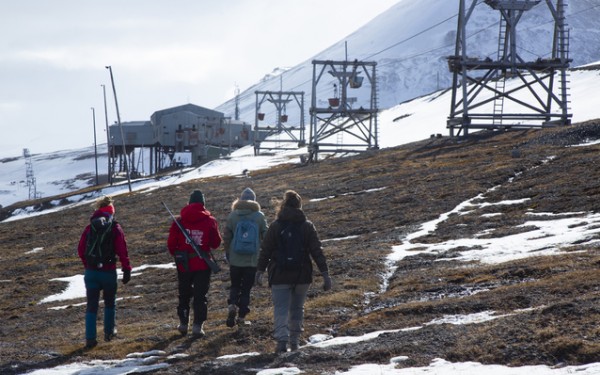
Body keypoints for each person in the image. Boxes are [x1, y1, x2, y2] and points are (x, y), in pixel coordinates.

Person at [255, 190, 332, 353]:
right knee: (297, 308)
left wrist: (260, 271)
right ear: (299, 206)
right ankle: (295, 341)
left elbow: (265, 251)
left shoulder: (275, 226)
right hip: (302, 275)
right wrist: (325, 274)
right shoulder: (307, 226)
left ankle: (282, 342)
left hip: (279, 275)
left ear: (283, 205)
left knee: (281, 308)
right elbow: (317, 251)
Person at [77, 195, 132, 349]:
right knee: (110, 303)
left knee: (91, 305)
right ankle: (109, 332)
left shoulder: (89, 228)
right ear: (111, 212)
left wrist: (88, 265)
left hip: (91, 273)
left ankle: (90, 339)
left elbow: (81, 250)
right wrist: (126, 268)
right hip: (108, 271)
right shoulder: (115, 227)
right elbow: (122, 250)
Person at [167, 189, 222, 337]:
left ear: (189, 202)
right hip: (203, 264)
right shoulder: (210, 221)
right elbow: (216, 243)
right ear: (203, 203)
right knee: (200, 295)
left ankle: (184, 323)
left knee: (184, 294)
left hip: (183, 263)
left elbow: (171, 244)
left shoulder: (179, 221)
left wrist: (178, 256)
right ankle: (198, 326)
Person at [223, 187, 268, 327]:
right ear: (254, 200)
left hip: (235, 259)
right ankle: (241, 317)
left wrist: (228, 253)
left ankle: (232, 305)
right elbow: (266, 236)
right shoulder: (259, 216)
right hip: (251, 260)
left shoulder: (233, 215)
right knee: (246, 289)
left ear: (240, 199)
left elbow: (226, 236)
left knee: (235, 285)